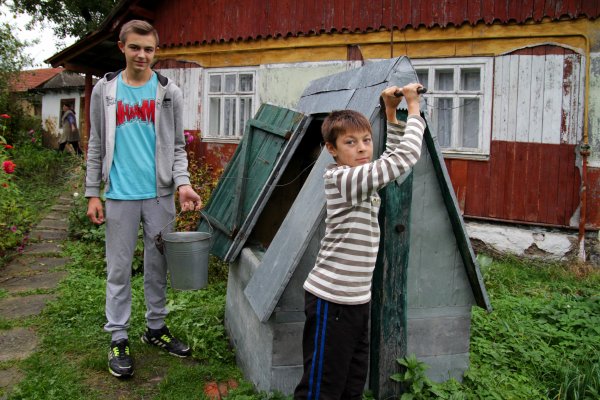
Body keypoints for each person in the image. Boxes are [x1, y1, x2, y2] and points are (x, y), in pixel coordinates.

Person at [85, 19, 202, 379]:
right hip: (119, 195)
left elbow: (178, 147)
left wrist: (182, 183)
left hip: (159, 196)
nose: (142, 55)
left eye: (149, 49)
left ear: (155, 51)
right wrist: (93, 193)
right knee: (118, 269)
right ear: (121, 46)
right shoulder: (105, 91)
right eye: (135, 47)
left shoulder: (169, 92)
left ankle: (155, 328)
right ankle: (118, 336)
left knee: (157, 268)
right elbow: (95, 146)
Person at [293, 83, 426, 399]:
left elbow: (389, 161)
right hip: (331, 299)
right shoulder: (344, 179)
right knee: (322, 387)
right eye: (350, 142)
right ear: (332, 149)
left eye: (367, 140)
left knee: (352, 383)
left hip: (355, 301)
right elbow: (404, 158)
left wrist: (392, 114)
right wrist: (414, 107)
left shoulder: (361, 177)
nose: (363, 148)